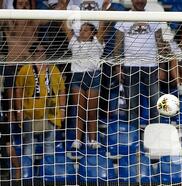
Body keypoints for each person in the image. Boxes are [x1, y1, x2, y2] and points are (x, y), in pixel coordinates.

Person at [60, 0, 107, 150]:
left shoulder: (98, 42)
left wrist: (104, 9)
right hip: (77, 77)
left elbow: (103, 25)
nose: (83, 31)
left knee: (92, 111)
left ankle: (92, 139)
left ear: (93, 32)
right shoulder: (73, 41)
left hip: (93, 77)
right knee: (79, 111)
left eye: (87, 29)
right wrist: (64, 8)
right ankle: (77, 140)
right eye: (82, 29)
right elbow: (65, 26)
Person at [114, 0, 169, 126]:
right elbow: (118, 45)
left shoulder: (153, 17)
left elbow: (160, 44)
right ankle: (133, 139)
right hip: (130, 66)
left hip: (151, 66)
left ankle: (156, 135)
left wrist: (162, 67)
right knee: (132, 106)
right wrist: (118, 67)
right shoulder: (124, 17)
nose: (140, 1)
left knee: (156, 105)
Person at [14, 42, 66, 157]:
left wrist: (62, 110)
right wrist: (19, 111)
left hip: (51, 111)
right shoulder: (25, 69)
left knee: (50, 144)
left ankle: (48, 172)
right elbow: (18, 91)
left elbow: (62, 90)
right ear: (32, 53)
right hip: (30, 111)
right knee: (29, 144)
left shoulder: (54, 69)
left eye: (42, 51)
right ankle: (27, 173)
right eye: (37, 51)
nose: (40, 53)